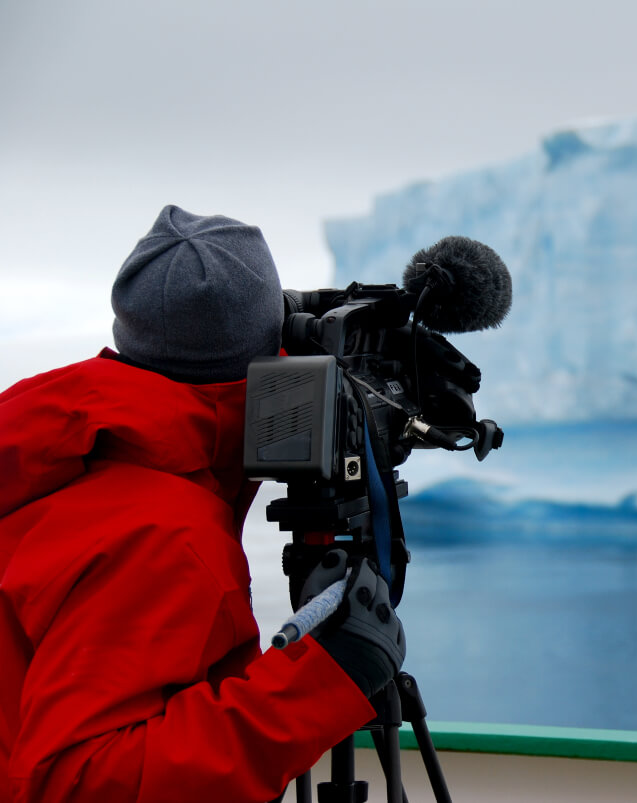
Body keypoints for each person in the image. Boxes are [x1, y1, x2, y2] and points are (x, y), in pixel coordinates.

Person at [0, 205, 406, 803]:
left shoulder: (56, 455)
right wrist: (317, 685)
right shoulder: (163, 536)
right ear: (270, 353)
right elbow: (76, 782)